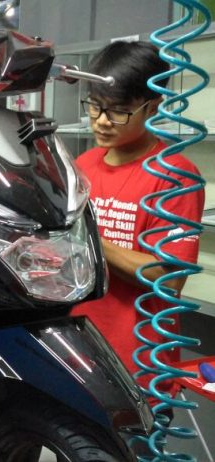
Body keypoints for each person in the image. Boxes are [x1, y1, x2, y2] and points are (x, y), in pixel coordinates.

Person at [72, 41, 205, 403]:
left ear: (152, 106)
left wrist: (87, 237)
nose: (102, 120)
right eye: (95, 106)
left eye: (118, 111)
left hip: (139, 360)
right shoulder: (83, 165)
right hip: (81, 347)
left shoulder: (175, 176)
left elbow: (168, 277)